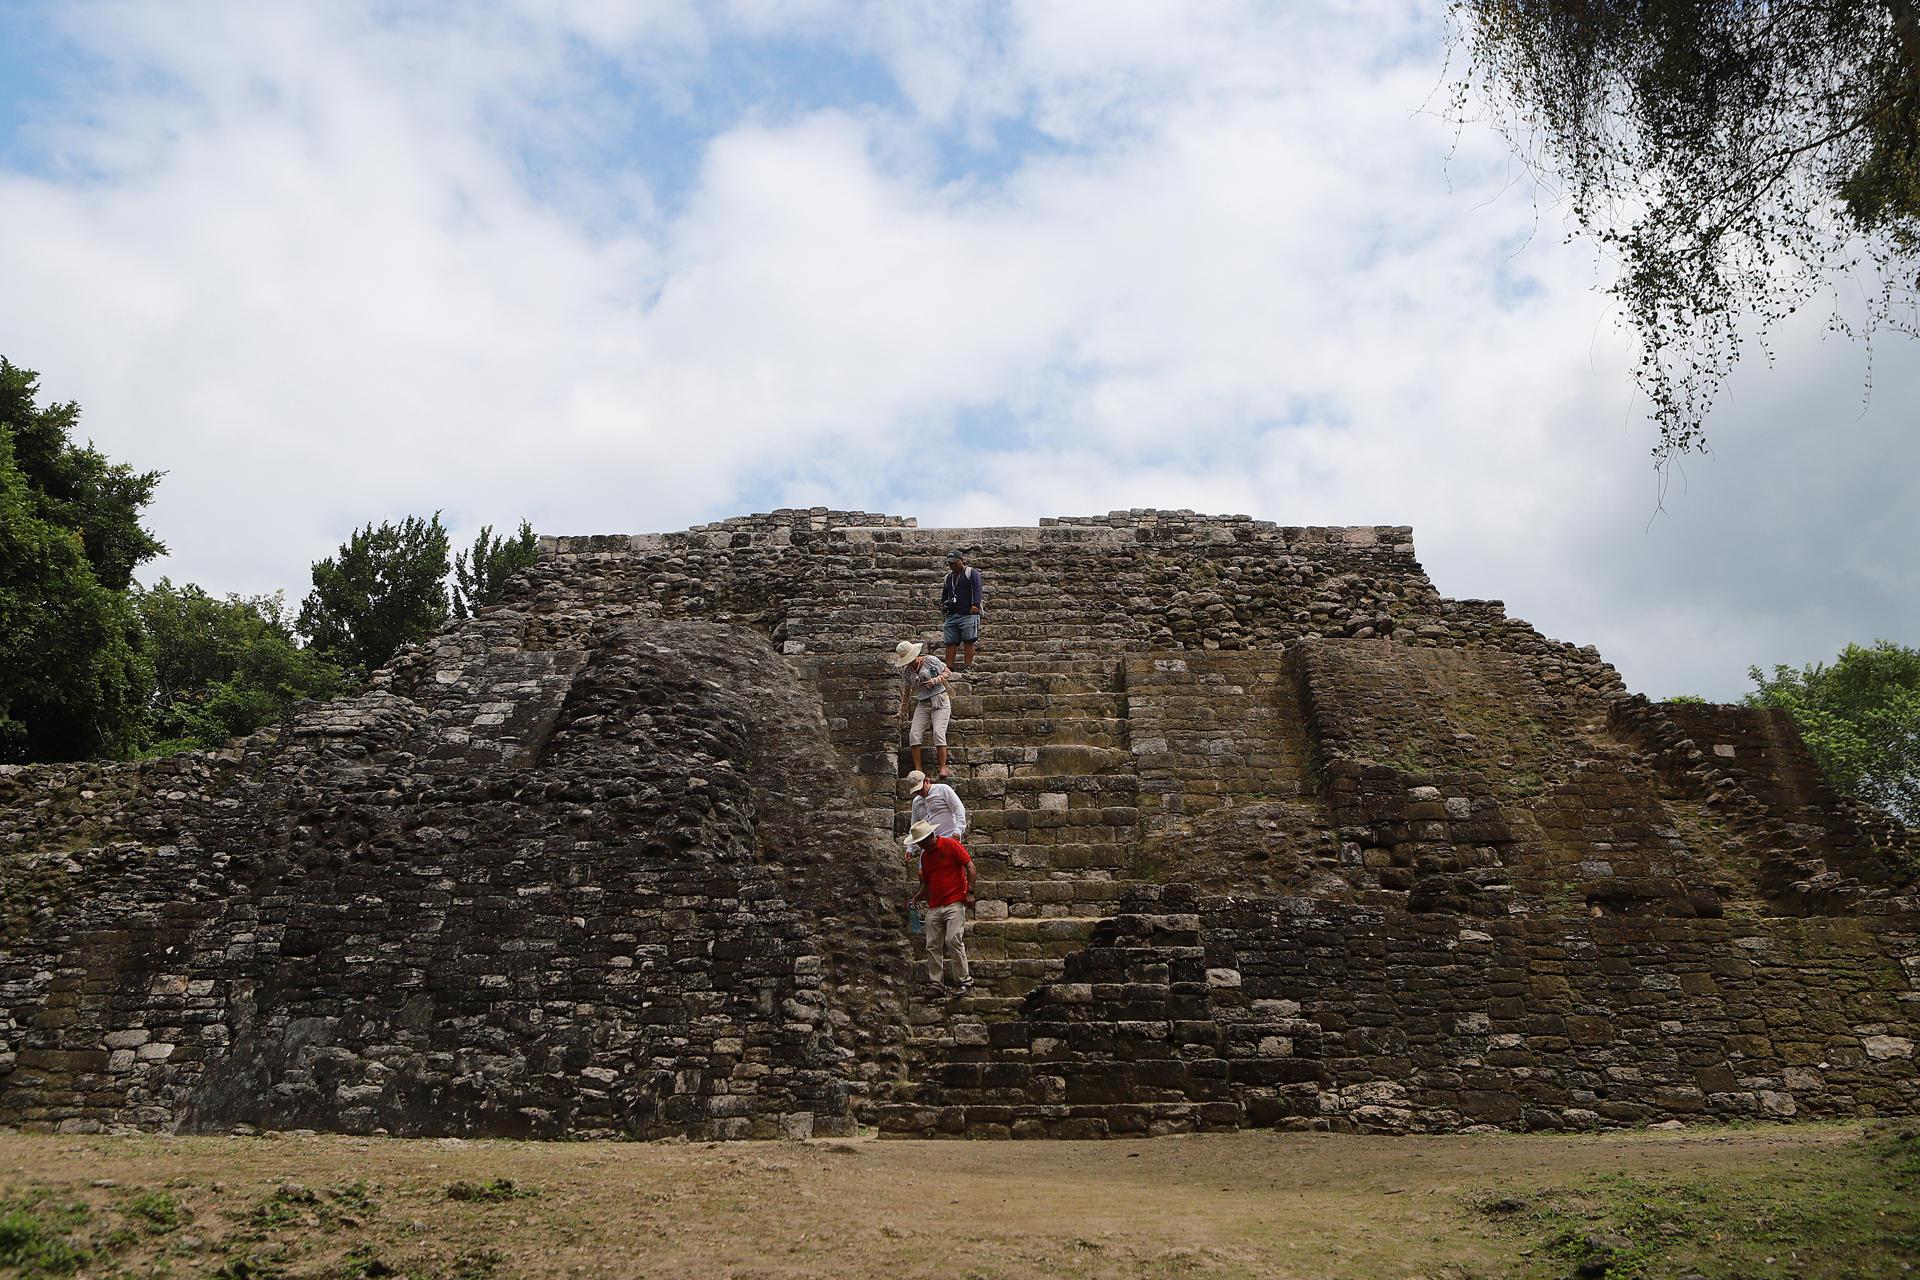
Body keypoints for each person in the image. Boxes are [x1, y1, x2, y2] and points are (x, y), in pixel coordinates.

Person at [905, 819, 976, 994]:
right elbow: (928, 884)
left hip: (954, 901)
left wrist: (971, 892)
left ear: (930, 836)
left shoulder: (950, 845)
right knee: (932, 945)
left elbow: (970, 866)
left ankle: (963, 980)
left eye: (922, 841)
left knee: (953, 939)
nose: (921, 845)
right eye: (919, 843)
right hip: (935, 905)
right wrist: (916, 898)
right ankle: (936, 983)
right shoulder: (925, 856)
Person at [891, 639, 955, 779]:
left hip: (940, 700)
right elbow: (907, 692)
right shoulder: (907, 672)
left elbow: (947, 672)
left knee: (938, 732)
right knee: (914, 734)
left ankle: (943, 767)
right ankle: (918, 769)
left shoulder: (930, 660)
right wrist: (901, 711)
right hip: (923, 703)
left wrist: (936, 680)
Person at [940, 550, 983, 671]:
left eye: (955, 562)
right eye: (950, 563)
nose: (952, 565)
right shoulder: (948, 578)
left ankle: (968, 666)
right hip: (952, 613)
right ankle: (949, 666)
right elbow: (945, 594)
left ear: (961, 561)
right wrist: (943, 605)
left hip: (968, 612)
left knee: (969, 639)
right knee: (950, 641)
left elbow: (977, 589)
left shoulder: (971, 573)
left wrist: (976, 604)